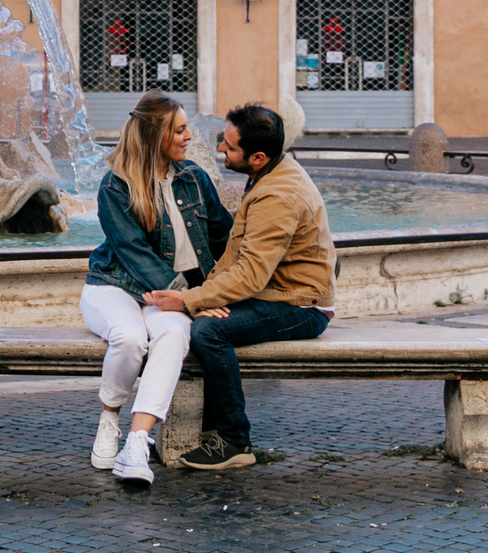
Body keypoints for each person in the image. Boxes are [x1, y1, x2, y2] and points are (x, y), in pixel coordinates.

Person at [144, 103, 334, 472]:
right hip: (276, 293)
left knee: (210, 332)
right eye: (224, 141)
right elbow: (237, 256)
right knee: (206, 321)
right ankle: (209, 432)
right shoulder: (270, 172)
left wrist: (188, 300)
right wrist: (203, 299)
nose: (221, 151)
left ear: (258, 157)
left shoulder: (278, 197)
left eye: (230, 148)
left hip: (301, 306)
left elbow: (250, 275)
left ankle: (233, 441)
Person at [81, 95, 229, 490]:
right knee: (129, 337)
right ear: (155, 135)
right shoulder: (116, 186)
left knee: (174, 334)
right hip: (115, 285)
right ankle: (110, 417)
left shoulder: (194, 177)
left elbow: (224, 236)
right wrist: (190, 299)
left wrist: (217, 291)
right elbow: (132, 253)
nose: (188, 137)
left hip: (168, 293)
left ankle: (135, 443)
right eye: (179, 130)